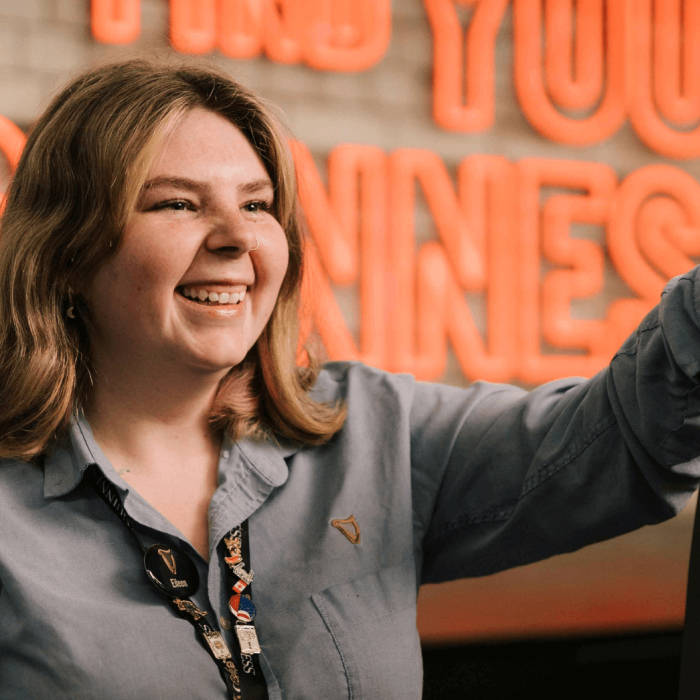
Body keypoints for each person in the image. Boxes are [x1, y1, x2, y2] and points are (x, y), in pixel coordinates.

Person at [0, 58, 699, 700]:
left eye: (256, 204)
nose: (236, 238)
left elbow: (616, 442)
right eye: (177, 204)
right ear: (65, 252)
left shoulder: (372, 428)